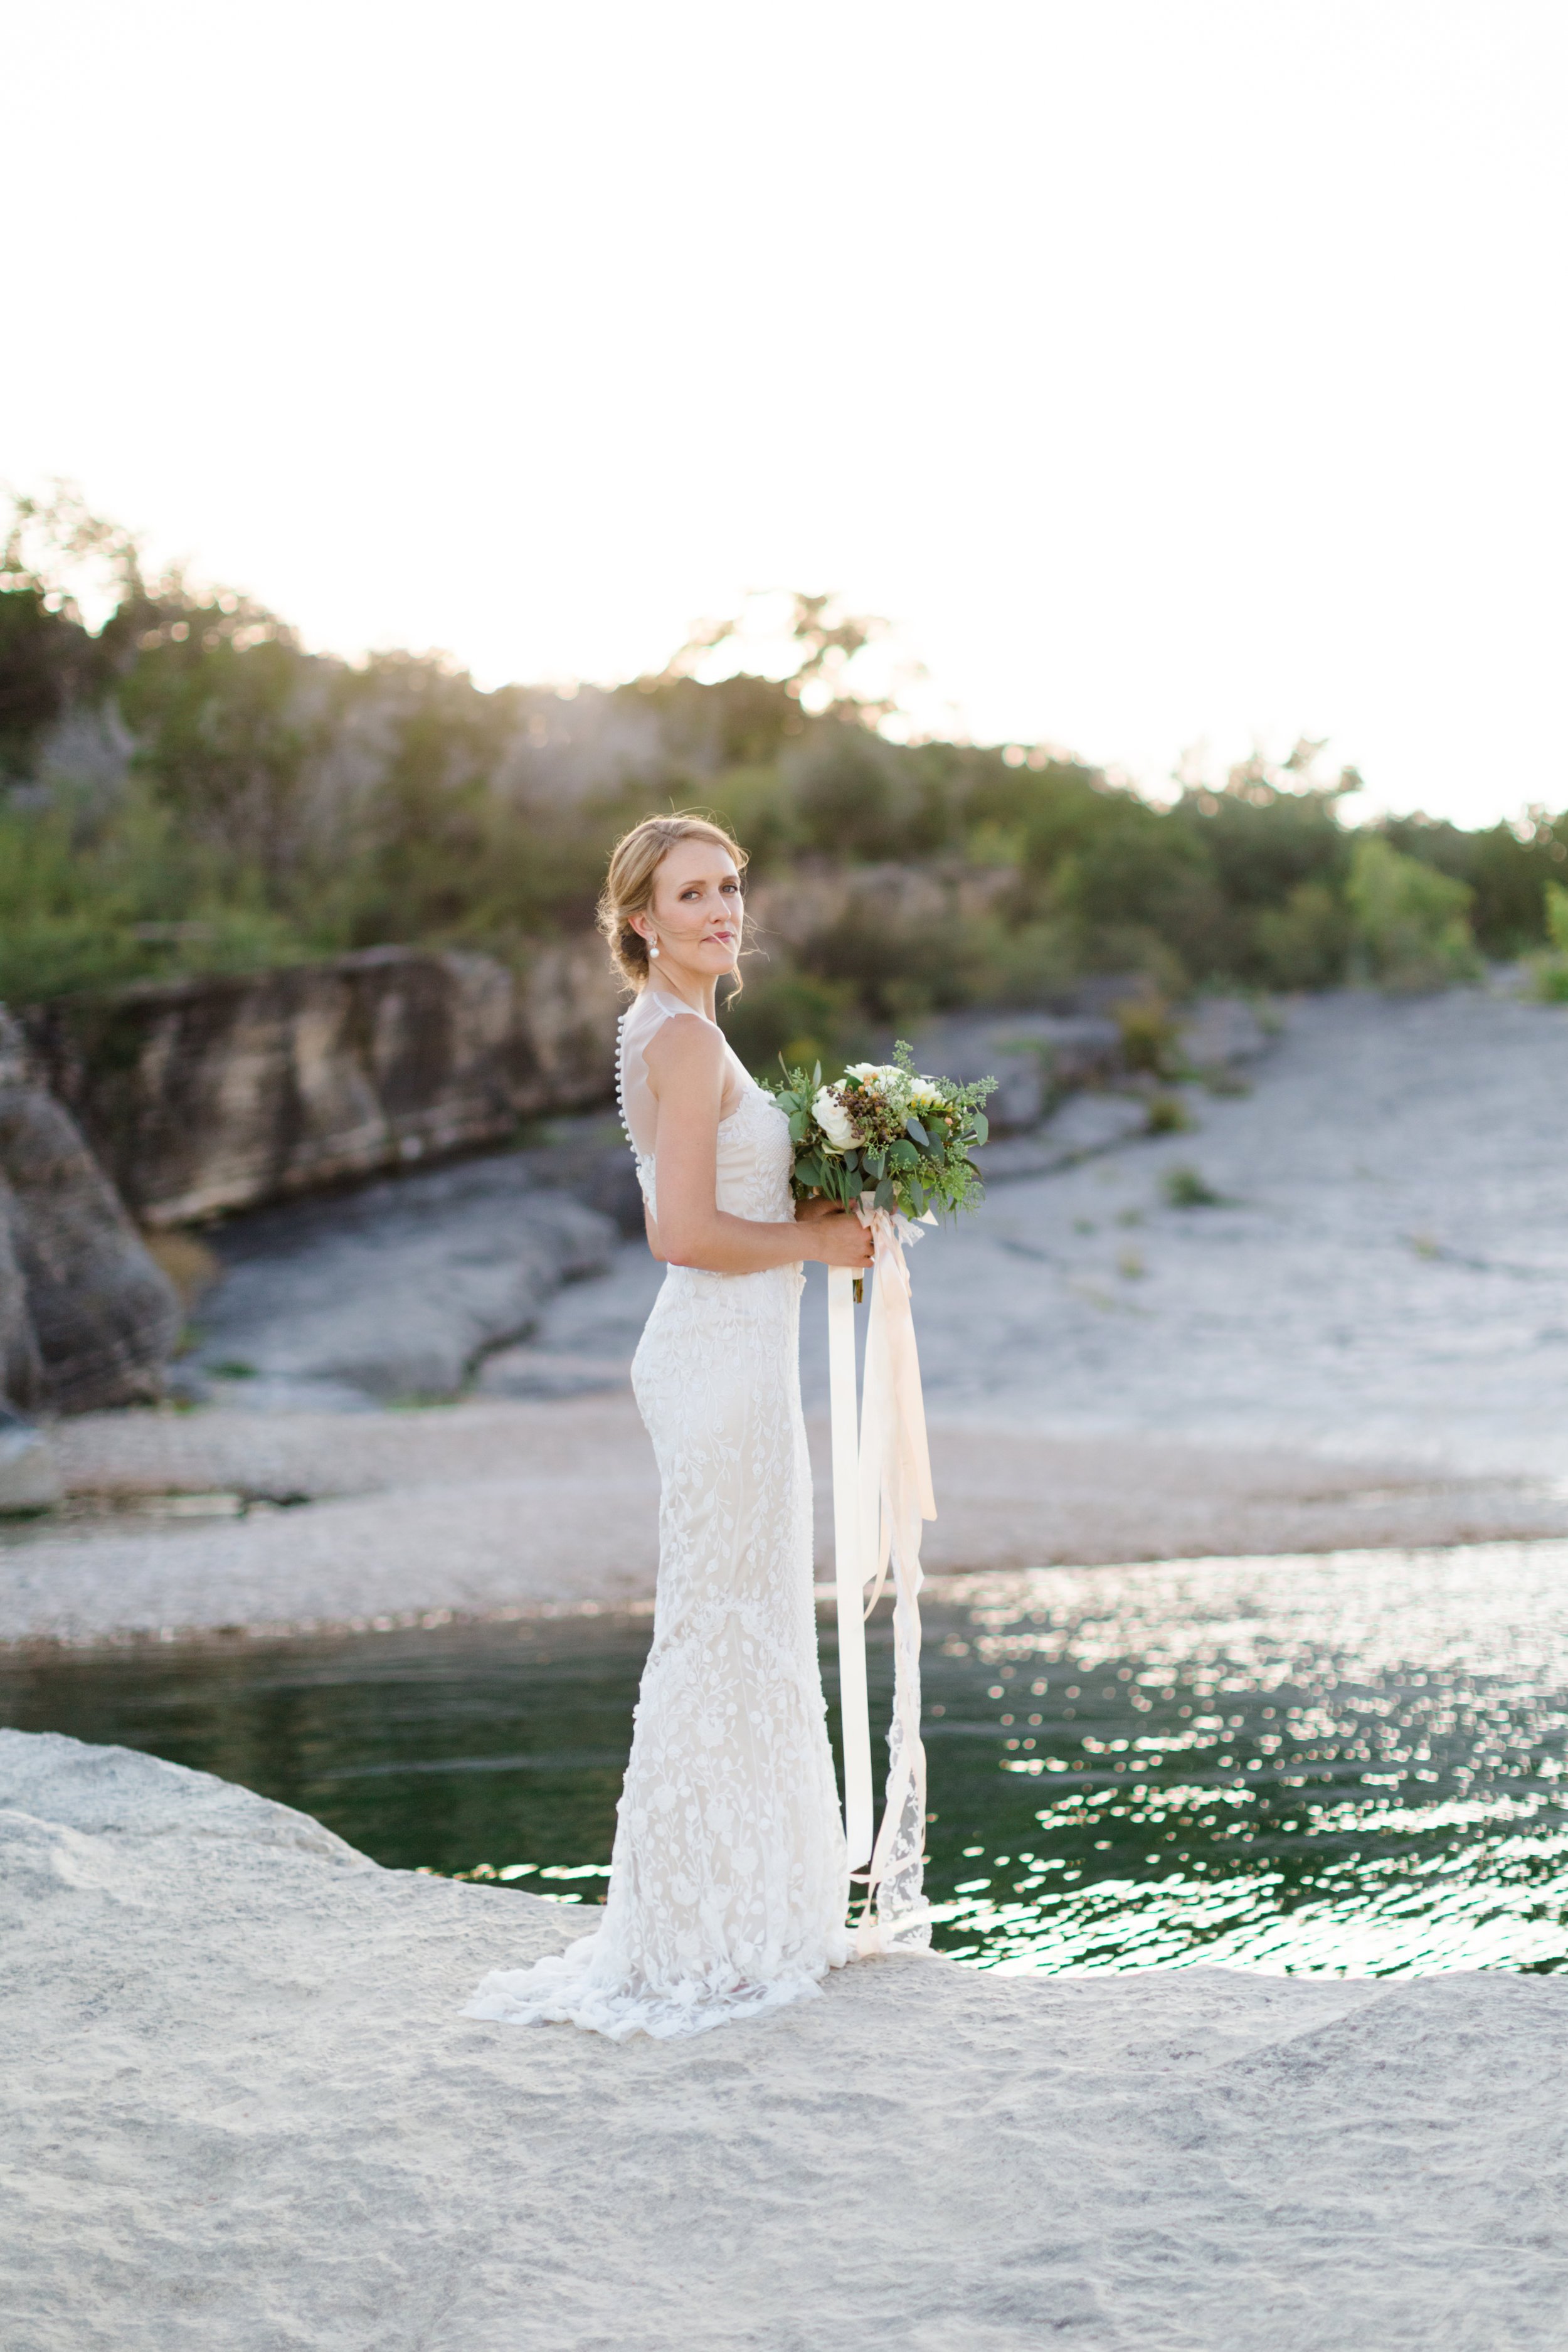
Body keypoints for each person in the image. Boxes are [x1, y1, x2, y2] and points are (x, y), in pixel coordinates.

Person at [466, 813, 873, 2039]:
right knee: (721, 1635)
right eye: (690, 892)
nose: (719, 909)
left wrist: (820, 1182)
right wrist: (820, 1239)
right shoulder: (684, 1040)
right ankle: (697, 1937)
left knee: (735, 1628)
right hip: (717, 1367)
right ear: (638, 919)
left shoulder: (670, 1030)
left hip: (726, 1361)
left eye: (730, 886)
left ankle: (733, 1914)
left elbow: (711, 1195)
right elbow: (681, 1235)